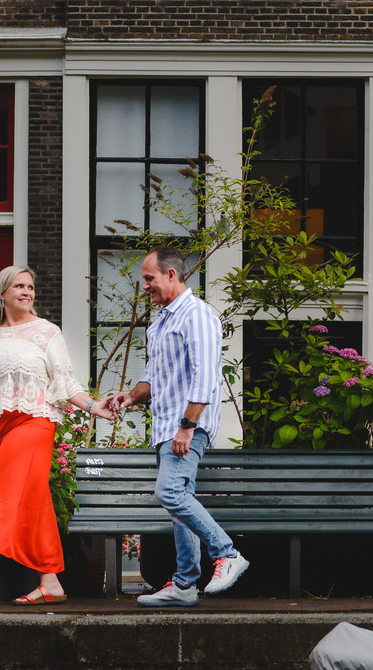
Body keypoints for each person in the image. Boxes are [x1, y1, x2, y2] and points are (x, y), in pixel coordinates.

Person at [0, 265, 114, 606]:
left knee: (1, 497)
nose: (27, 292)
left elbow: (65, 382)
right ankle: (51, 583)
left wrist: (94, 406)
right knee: (34, 505)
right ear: (1, 294)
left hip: (34, 423)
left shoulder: (47, 333)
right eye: (19, 286)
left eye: (31, 287)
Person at [107, 246, 249, 606]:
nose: (145, 286)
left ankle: (227, 553)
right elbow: (154, 378)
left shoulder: (196, 314)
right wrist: (130, 397)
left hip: (186, 427)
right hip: (167, 427)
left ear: (171, 275)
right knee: (178, 503)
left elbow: (205, 376)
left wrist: (187, 426)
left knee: (169, 493)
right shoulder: (162, 321)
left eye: (149, 278)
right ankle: (185, 584)